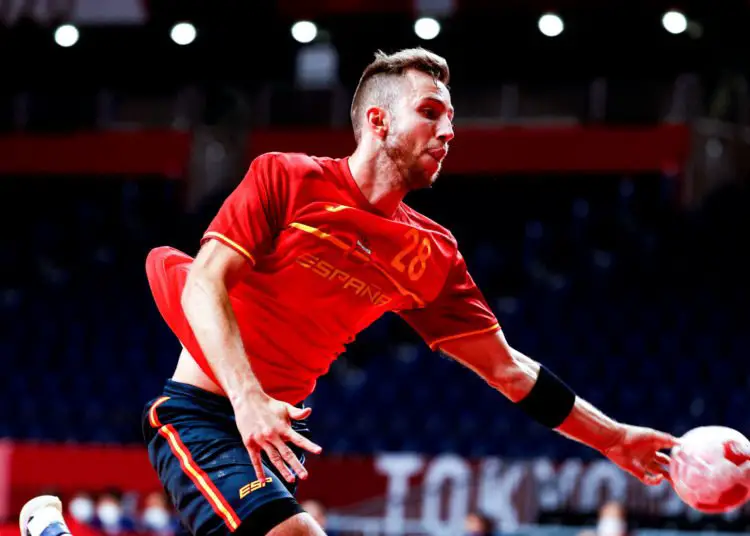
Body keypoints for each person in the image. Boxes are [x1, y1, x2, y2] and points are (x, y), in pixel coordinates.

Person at [22, 48, 679, 536]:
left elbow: (507, 369)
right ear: (377, 121)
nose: (449, 132)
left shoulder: (432, 253)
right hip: (202, 414)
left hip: (271, 436)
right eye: (430, 113)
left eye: (452, 120)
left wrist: (613, 439)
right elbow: (203, 282)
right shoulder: (288, 179)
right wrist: (249, 400)